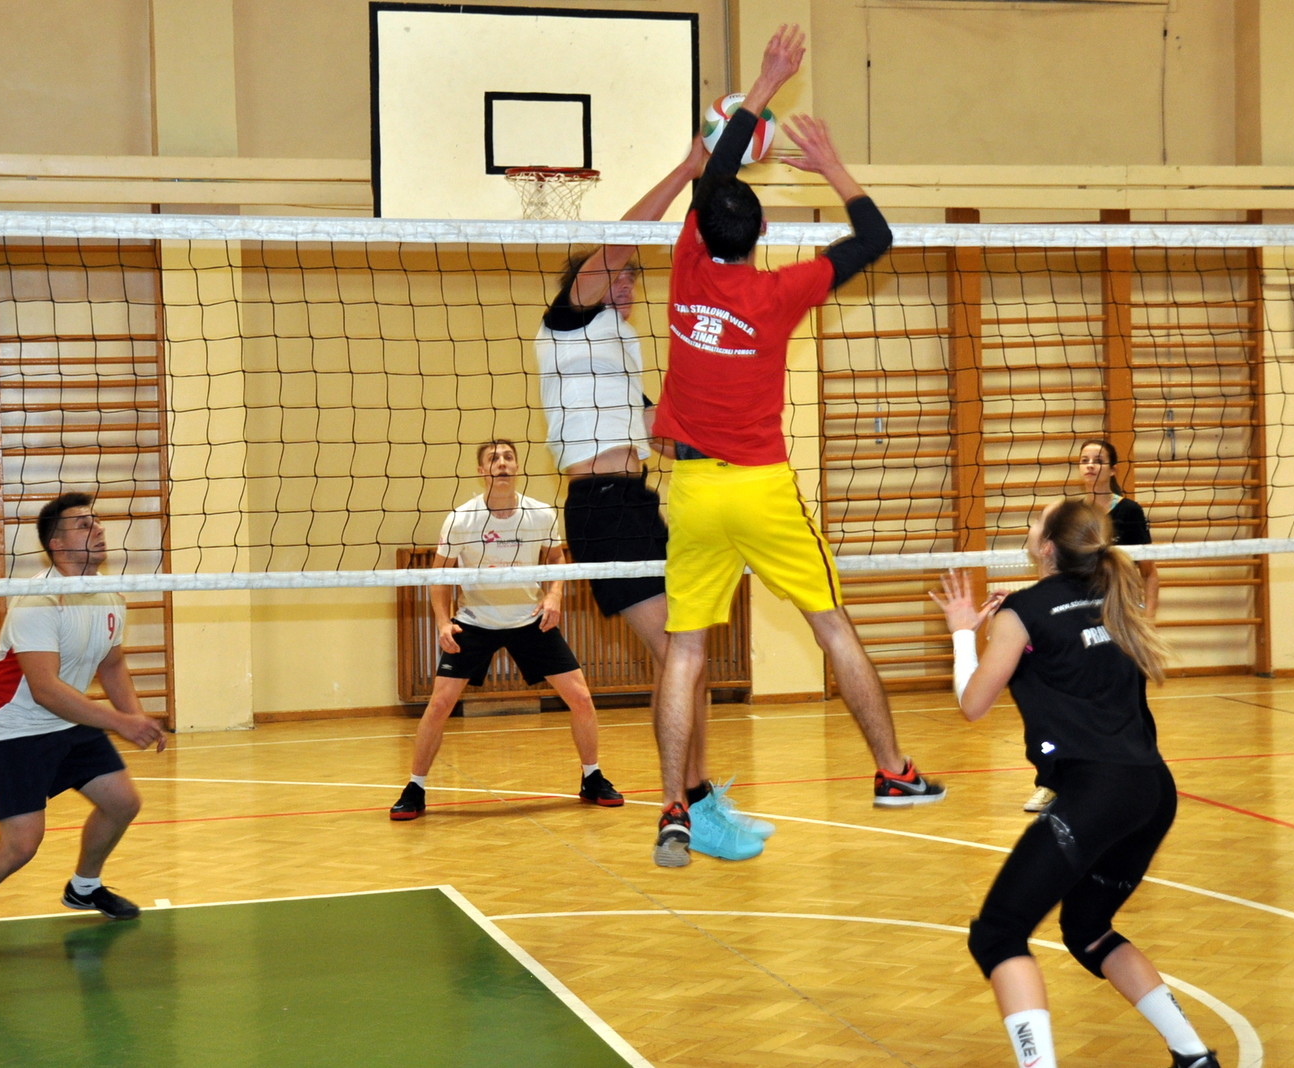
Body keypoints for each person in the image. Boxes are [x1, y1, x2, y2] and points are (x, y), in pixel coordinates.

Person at [646, 24, 944, 869]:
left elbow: (716, 171)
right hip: (762, 487)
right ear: (761, 231)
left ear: (701, 225)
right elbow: (875, 239)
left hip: (693, 493)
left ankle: (673, 808)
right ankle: (893, 772)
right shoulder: (782, 291)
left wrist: (764, 85)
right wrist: (835, 167)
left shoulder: (686, 261)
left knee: (685, 650)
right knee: (832, 627)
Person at [931, 498, 1218, 1068]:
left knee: (998, 934)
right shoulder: (1116, 595)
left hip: (1097, 795)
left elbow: (972, 704)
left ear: (1045, 547)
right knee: (1087, 928)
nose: (1028, 528)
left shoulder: (1024, 612)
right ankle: (1193, 1057)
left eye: (1034, 523)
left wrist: (964, 633)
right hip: (1153, 792)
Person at [534, 139, 763, 851]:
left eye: (635, 275)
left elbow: (665, 436)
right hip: (601, 508)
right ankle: (687, 805)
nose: (630, 280)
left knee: (689, 653)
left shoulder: (619, 352)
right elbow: (620, 240)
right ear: (591, 281)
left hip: (640, 504)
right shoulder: (568, 324)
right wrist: (691, 169)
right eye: (621, 273)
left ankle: (700, 799)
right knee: (676, 652)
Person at [0, 492, 168, 962]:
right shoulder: (38, 600)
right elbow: (45, 689)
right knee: (20, 845)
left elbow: (112, 664)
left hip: (67, 717)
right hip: (15, 724)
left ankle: (84, 887)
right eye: (83, 524)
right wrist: (119, 723)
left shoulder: (108, 595)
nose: (98, 529)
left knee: (122, 802)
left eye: (97, 521)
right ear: (56, 543)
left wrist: (134, 716)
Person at [389, 439, 623, 820]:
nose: (502, 463)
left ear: (516, 466)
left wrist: (554, 596)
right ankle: (415, 787)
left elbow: (555, 558)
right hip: (475, 622)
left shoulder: (540, 514)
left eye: (508, 457)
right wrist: (443, 622)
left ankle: (592, 777)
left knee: (581, 697)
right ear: (482, 470)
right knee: (440, 704)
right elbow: (438, 576)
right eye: (493, 458)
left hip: (529, 619)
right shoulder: (461, 520)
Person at [1023, 438, 1159, 814]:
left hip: (1120, 620)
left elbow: (1150, 572)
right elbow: (1052, 567)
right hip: (1077, 621)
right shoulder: (1071, 515)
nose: (1089, 466)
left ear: (1113, 469)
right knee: (1065, 707)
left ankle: (1145, 773)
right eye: (1084, 460)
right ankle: (1052, 783)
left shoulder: (1129, 512)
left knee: (1132, 703)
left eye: (1098, 460)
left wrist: (1145, 623)